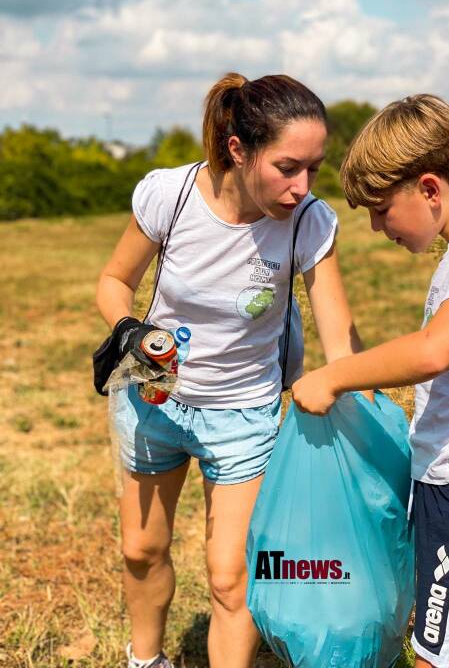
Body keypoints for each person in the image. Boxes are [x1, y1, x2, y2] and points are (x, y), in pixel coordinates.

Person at [96, 73, 365, 668]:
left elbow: (338, 335)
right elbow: (115, 282)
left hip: (244, 414)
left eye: (314, 169)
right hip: (154, 399)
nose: (301, 187)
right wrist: (130, 332)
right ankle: (147, 660)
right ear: (239, 150)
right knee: (141, 549)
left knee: (229, 577)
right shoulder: (171, 195)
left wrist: (362, 408)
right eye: (288, 167)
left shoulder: (308, 222)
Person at [292, 94, 449, 668]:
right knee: (440, 648)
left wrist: (336, 377)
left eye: (382, 209)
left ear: (430, 189)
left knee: (448, 657)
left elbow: (436, 350)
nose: (378, 226)